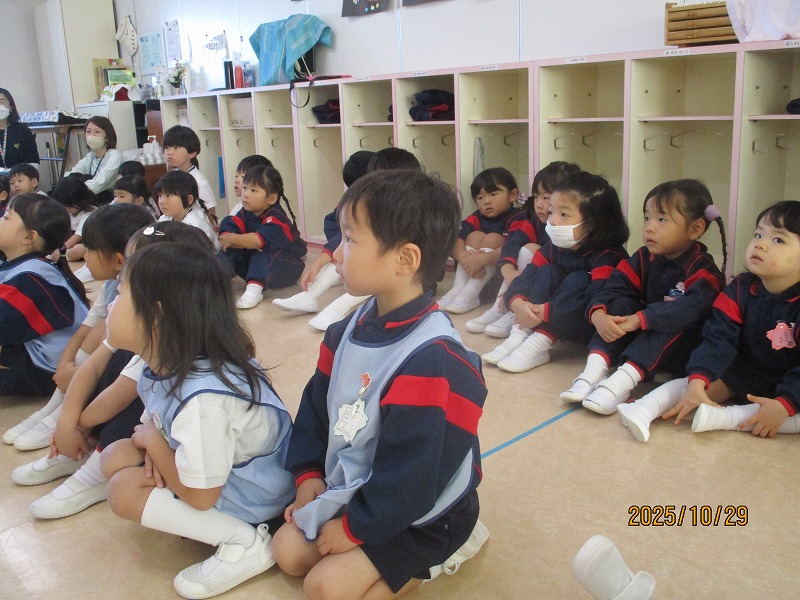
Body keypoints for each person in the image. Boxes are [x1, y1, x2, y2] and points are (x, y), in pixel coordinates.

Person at [271, 169, 489, 599]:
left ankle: (453, 546)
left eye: (350, 240)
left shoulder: (432, 361)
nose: (336, 254)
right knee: (287, 552)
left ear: (405, 260)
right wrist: (308, 472)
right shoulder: (345, 330)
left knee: (326, 589)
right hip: (367, 489)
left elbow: (416, 473)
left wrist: (357, 528)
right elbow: (317, 406)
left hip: (423, 510)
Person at [101, 243, 295, 599]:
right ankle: (215, 527)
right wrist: (154, 445)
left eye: (120, 294)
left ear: (155, 315)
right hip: (225, 475)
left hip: (258, 499)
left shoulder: (204, 402)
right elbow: (157, 425)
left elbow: (202, 497)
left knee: (122, 491)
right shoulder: (164, 365)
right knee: (114, 457)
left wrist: (154, 443)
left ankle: (244, 541)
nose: (110, 305)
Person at [12, 222, 216, 521]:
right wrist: (68, 423)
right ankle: (77, 444)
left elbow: (117, 398)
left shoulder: (176, 351)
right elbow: (92, 367)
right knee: (110, 356)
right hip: (149, 431)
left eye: (130, 270)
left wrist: (77, 426)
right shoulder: (144, 331)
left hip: (170, 444)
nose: (120, 275)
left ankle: (93, 466)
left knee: (131, 396)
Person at [622, 201, 800, 442]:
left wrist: (786, 403)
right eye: (758, 235)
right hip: (748, 371)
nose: (761, 244)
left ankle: (722, 418)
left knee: (785, 412)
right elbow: (719, 337)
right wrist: (699, 378)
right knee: (699, 386)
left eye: (778, 240)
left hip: (794, 379)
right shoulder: (740, 289)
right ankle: (643, 407)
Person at [4, 204, 153, 451]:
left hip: (115, 377)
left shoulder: (134, 294)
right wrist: (65, 365)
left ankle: (64, 417)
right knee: (98, 329)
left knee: (103, 329)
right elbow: (84, 329)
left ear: (118, 260)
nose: (86, 256)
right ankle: (54, 410)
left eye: (91, 249)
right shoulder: (111, 285)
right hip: (87, 369)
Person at [573, 179, 726, 416]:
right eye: (647, 218)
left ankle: (621, 382)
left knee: (669, 318)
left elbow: (689, 310)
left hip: (683, 354)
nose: (649, 228)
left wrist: (641, 319)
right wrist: (599, 314)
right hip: (647, 346)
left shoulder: (704, 271)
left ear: (695, 229)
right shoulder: (644, 257)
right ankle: (595, 370)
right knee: (621, 303)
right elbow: (615, 286)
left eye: (661, 220)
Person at [482, 171, 630, 373]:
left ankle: (539, 343)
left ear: (592, 222)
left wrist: (547, 312)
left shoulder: (608, 256)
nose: (552, 221)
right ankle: (520, 334)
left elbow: (597, 302)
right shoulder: (554, 246)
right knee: (547, 271)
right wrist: (517, 302)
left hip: (585, 324)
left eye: (564, 215)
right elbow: (527, 275)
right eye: (552, 212)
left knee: (578, 279)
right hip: (549, 315)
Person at [306, 146, 423, 331]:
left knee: (368, 269)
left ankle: (335, 309)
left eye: (379, 183)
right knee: (350, 255)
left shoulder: (409, 213)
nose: (372, 189)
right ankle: (310, 296)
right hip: (387, 270)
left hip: (413, 279)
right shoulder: (372, 209)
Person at [467, 161, 581, 336]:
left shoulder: (570, 230)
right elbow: (513, 242)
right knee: (523, 249)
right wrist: (509, 272)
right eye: (536, 197)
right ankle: (500, 308)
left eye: (546, 198)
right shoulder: (536, 222)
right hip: (529, 280)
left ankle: (515, 312)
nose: (539, 204)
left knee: (532, 250)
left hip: (554, 289)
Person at [0, 194, 88, 396]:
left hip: (51, 368)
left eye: (6, 217)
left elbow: (4, 325)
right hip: (39, 348)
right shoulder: (26, 263)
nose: (0, 220)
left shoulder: (31, 279)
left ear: (28, 237)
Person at [272, 150, 373, 313]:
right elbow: (342, 234)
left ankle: (332, 308)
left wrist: (320, 262)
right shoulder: (355, 203)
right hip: (357, 250)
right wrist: (322, 261)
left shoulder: (377, 205)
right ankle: (310, 296)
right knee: (346, 251)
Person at [437, 167, 526, 314]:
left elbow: (515, 247)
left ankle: (470, 294)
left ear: (512, 195)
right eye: (480, 197)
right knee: (474, 236)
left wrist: (482, 259)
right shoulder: (477, 216)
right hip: (469, 273)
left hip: (497, 281)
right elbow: (458, 238)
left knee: (492, 238)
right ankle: (458, 289)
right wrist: (466, 258)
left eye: (493, 194)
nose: (487, 201)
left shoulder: (518, 218)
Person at [218, 164, 307, 309]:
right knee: (230, 236)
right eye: (245, 188)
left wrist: (232, 239)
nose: (245, 194)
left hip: (286, 268)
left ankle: (254, 291)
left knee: (263, 248)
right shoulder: (246, 212)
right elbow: (232, 224)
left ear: (271, 199)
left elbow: (258, 241)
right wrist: (227, 237)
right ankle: (213, 278)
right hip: (258, 267)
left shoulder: (277, 217)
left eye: (253, 190)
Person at [162, 125, 218, 216]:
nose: (169, 152)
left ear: (192, 153)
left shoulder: (199, 181)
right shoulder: (173, 176)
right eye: (167, 147)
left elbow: (210, 212)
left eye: (176, 148)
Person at [156, 169, 219, 249]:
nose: (162, 201)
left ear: (189, 199)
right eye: (160, 196)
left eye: (168, 195)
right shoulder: (165, 218)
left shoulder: (194, 225)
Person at [65, 117, 122, 202]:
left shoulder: (114, 155)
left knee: (86, 178)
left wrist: (74, 191)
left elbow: (100, 183)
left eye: (97, 132)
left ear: (107, 137)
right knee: (74, 177)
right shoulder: (90, 156)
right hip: (87, 195)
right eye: (88, 131)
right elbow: (72, 174)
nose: (91, 135)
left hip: (108, 198)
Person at [52, 176, 98, 264]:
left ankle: (64, 256)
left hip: (83, 244)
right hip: (67, 243)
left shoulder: (90, 213)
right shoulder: (69, 211)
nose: (66, 209)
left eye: (69, 206)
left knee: (79, 250)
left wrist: (62, 250)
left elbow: (77, 237)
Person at [0, 87, 39, 169]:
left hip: (19, 175)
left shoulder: (22, 130)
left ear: (11, 108)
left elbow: (33, 161)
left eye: (2, 102)